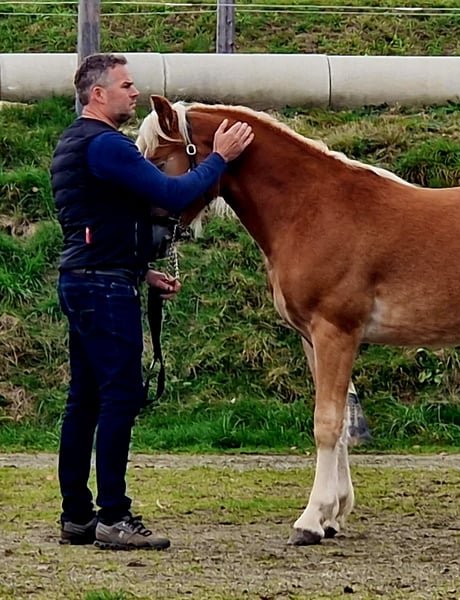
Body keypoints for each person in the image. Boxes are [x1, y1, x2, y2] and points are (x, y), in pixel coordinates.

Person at [51, 53, 254, 550]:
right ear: (98, 94)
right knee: (120, 396)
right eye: (125, 85)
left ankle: (76, 515)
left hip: (86, 279)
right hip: (105, 287)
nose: (134, 92)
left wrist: (141, 271)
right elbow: (172, 192)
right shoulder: (106, 145)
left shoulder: (72, 143)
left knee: (85, 399)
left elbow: (94, 223)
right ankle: (113, 516)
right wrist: (220, 157)